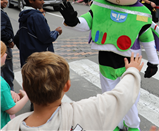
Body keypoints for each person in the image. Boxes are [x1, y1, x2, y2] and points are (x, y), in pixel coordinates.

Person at [59, 0, 159, 131]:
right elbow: (87, 23)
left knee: (130, 97)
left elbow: (147, 38)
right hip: (106, 61)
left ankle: (132, 126)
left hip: (130, 61)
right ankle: (115, 124)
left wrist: (154, 62)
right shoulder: (99, 5)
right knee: (109, 96)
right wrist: (73, 21)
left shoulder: (141, 13)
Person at [2, 51, 143, 131]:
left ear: (26, 89)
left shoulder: (11, 127)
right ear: (67, 86)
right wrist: (132, 71)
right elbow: (121, 96)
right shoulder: (86, 112)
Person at [17, 0, 62, 67]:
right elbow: (46, 37)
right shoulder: (36, 16)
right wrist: (56, 32)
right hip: (40, 57)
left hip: (27, 57)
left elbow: (18, 37)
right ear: (30, 0)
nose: (43, 2)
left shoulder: (24, 14)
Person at [0, 41, 29, 129]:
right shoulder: (1, 84)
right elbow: (12, 110)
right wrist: (26, 97)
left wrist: (9, 93)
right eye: (4, 52)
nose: (6, 54)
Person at [0, 0, 15, 91]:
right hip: (3, 47)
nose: (5, 1)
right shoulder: (1, 14)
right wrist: (9, 40)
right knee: (7, 71)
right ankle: (10, 94)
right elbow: (0, 30)